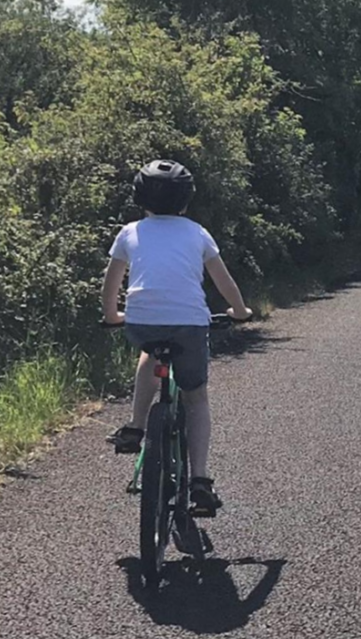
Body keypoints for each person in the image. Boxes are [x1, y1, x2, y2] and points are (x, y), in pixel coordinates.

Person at [102, 159, 251, 512]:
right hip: (189, 324)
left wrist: (112, 316)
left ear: (140, 198)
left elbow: (112, 282)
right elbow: (222, 279)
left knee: (148, 353)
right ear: (186, 200)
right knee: (195, 397)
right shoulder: (197, 233)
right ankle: (199, 480)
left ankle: (137, 427)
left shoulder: (129, 232)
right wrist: (240, 311)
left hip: (141, 322)